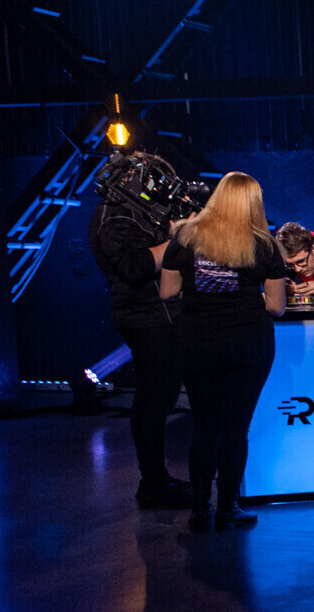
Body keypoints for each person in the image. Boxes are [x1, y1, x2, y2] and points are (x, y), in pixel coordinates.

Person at [159, 172, 287, 533]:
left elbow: (167, 292)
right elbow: (276, 307)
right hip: (248, 344)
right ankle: (227, 508)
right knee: (235, 429)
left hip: (197, 343)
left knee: (205, 427)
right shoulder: (264, 245)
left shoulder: (184, 237)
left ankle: (199, 509)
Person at [88, 152, 193, 509]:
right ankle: (153, 482)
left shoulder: (138, 212)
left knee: (161, 396)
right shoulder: (113, 219)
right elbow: (135, 267)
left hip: (164, 315)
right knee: (153, 399)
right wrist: (178, 239)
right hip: (147, 318)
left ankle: (156, 480)